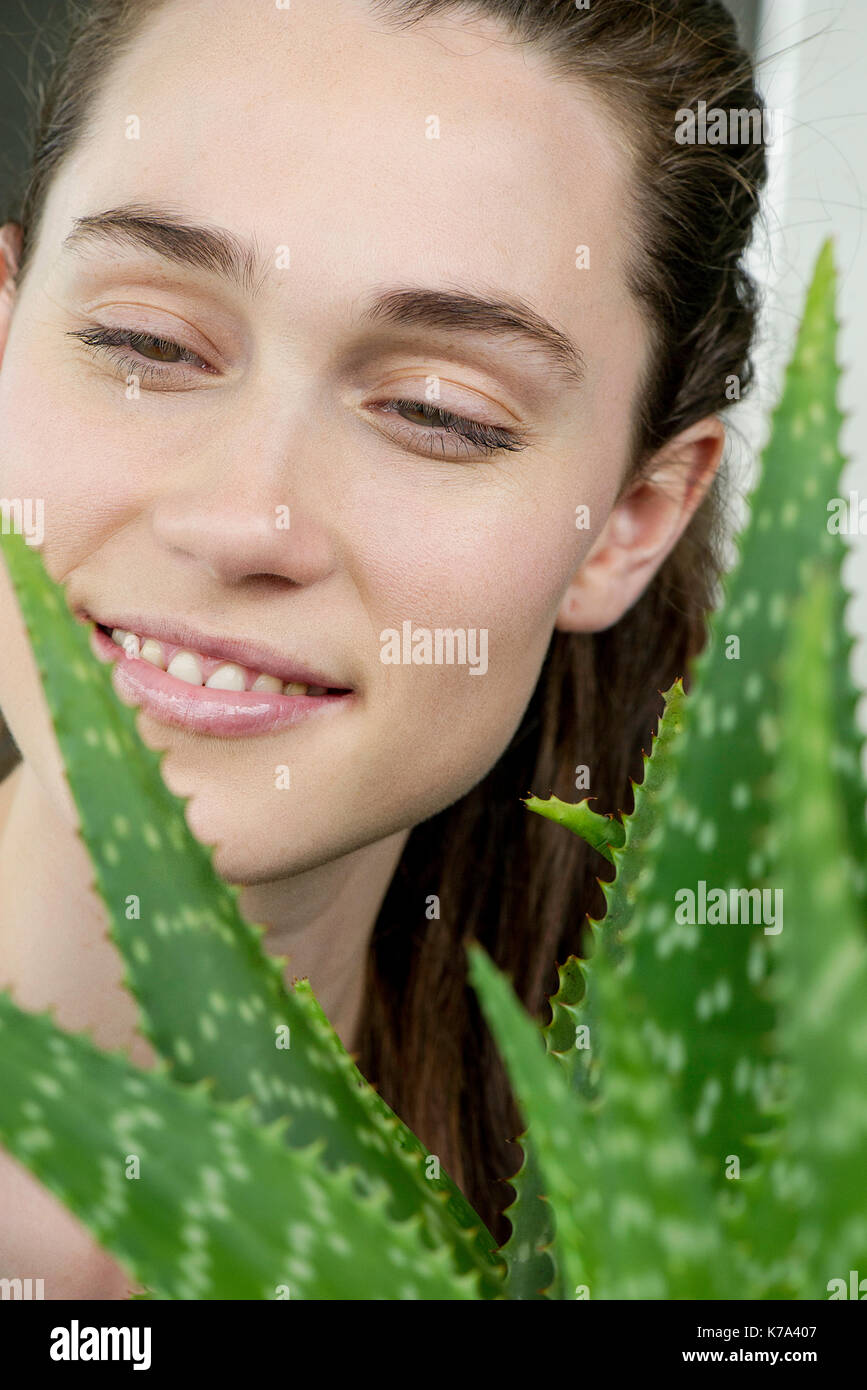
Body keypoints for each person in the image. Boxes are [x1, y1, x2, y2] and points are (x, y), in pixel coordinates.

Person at [0, 0, 767, 1298]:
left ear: (628, 524)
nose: (243, 517)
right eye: (144, 342)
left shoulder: (711, 1236)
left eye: (438, 413)